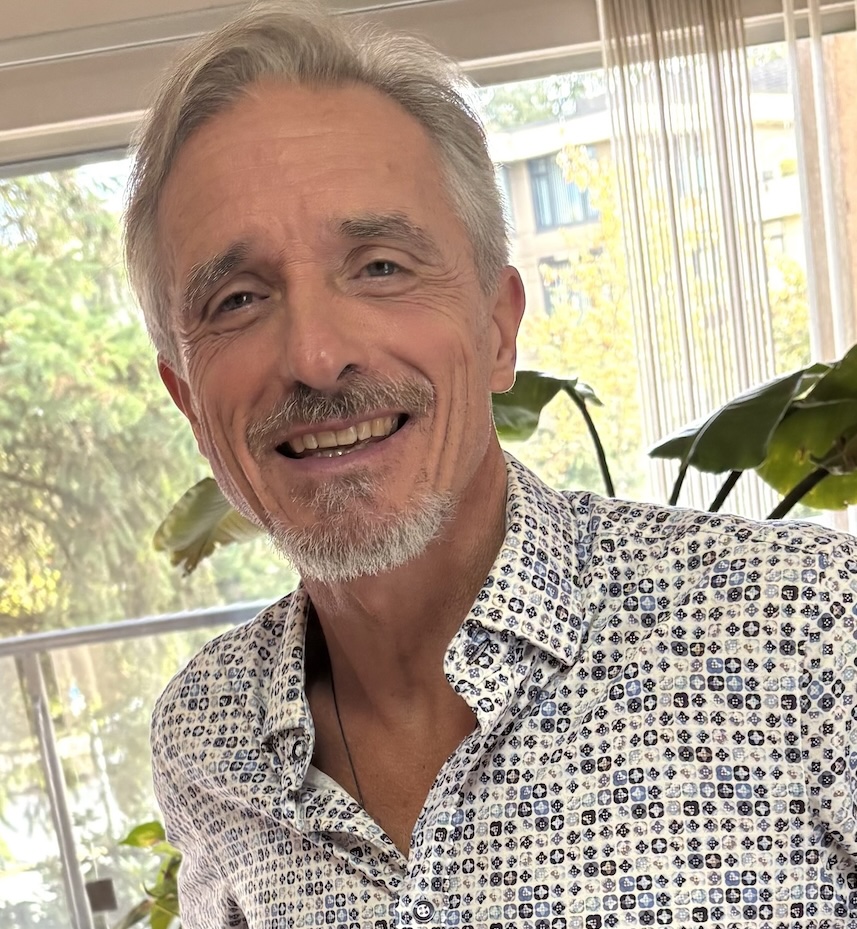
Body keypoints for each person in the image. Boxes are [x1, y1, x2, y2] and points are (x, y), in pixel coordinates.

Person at [126, 2, 857, 926]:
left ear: (499, 324)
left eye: (380, 266)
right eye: (236, 297)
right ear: (188, 397)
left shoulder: (809, 632)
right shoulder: (205, 737)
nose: (314, 354)